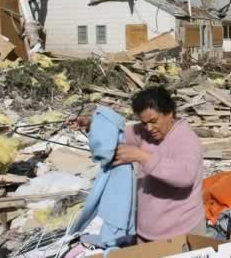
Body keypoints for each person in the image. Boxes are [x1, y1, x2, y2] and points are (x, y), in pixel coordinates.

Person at [71, 86, 205, 243]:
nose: (149, 128)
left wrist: (141, 156)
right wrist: (90, 124)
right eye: (144, 123)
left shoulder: (186, 139)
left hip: (181, 235)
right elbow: (118, 134)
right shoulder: (146, 131)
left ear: (170, 114)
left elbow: (184, 176)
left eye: (153, 121)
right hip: (146, 234)